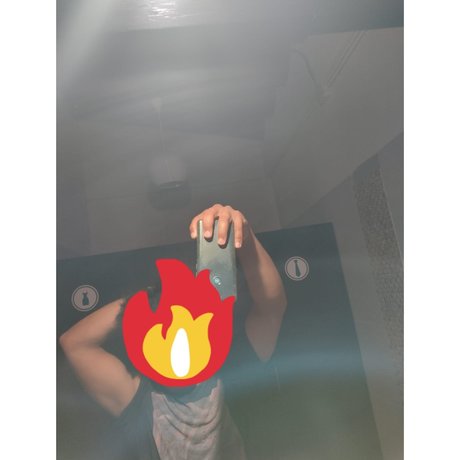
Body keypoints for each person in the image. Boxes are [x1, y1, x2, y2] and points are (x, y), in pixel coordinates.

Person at [59, 203, 287, 460]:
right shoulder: (138, 399)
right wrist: (150, 297)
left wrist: (245, 239)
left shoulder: (230, 369)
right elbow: (74, 343)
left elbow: (271, 305)